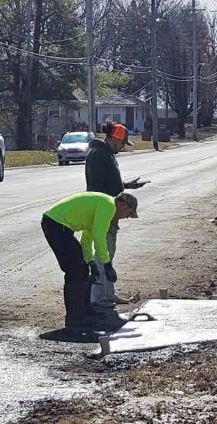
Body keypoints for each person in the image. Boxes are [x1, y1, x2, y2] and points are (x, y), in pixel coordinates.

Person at [41, 191, 139, 332]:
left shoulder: (103, 205)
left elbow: (87, 239)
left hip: (59, 226)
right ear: (123, 205)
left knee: (82, 269)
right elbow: (100, 238)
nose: (127, 217)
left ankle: (85, 312)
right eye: (129, 213)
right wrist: (107, 265)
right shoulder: (109, 206)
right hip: (55, 224)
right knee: (75, 271)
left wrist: (91, 263)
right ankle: (75, 318)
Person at [85, 120, 144, 306]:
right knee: (102, 256)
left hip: (109, 211)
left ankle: (108, 293)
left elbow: (108, 182)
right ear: (115, 139)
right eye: (122, 143)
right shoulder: (98, 155)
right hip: (104, 212)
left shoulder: (106, 154)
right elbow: (97, 187)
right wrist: (105, 211)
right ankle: (98, 297)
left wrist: (126, 186)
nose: (123, 147)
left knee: (108, 254)